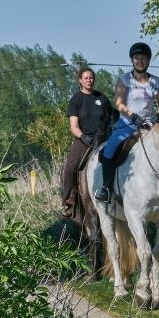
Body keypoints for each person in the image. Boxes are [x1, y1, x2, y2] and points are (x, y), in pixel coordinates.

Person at [94, 42, 159, 202]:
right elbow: (119, 103)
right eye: (136, 58)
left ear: (148, 61)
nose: (139, 61)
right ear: (132, 60)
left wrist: (156, 116)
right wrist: (133, 116)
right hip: (127, 125)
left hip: (150, 126)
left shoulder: (156, 81)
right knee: (109, 150)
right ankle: (106, 188)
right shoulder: (124, 79)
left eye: (143, 58)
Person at [62, 66, 114, 215]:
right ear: (80, 80)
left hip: (104, 139)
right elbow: (73, 126)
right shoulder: (76, 100)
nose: (89, 80)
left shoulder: (102, 98)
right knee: (70, 168)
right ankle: (68, 201)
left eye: (91, 78)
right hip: (84, 139)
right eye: (86, 78)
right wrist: (83, 137)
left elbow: (113, 116)